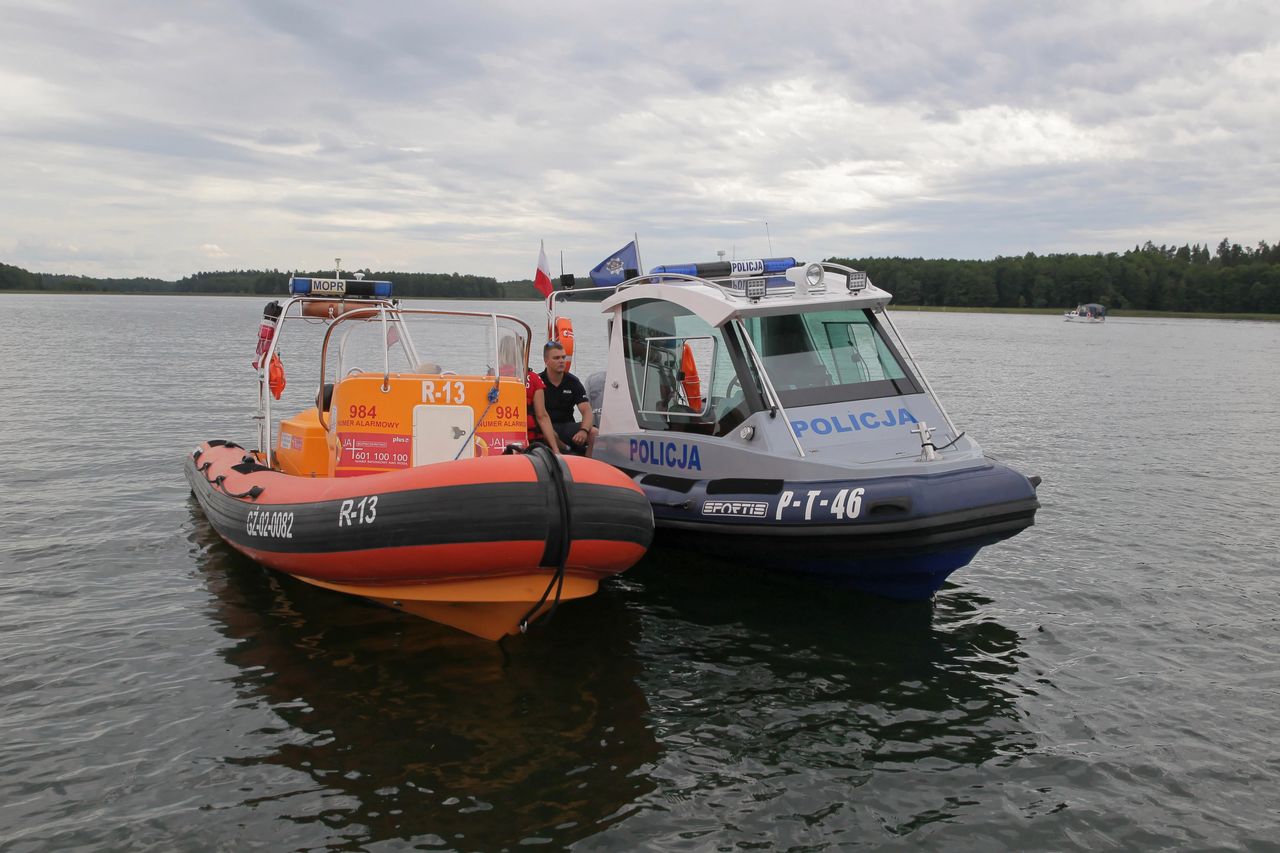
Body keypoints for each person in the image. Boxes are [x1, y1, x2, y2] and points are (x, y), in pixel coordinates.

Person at [497, 334, 559, 455]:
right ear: (521, 352)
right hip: (529, 441)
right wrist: (555, 449)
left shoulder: (491, 377)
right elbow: (542, 416)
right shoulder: (534, 379)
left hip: (497, 438)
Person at [539, 340, 595, 455]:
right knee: (549, 433)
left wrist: (583, 431)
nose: (561, 361)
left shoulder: (573, 382)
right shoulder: (539, 381)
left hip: (567, 425)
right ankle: (565, 449)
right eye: (556, 358)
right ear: (546, 361)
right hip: (546, 427)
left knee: (594, 432)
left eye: (563, 357)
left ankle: (588, 464)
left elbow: (587, 411)